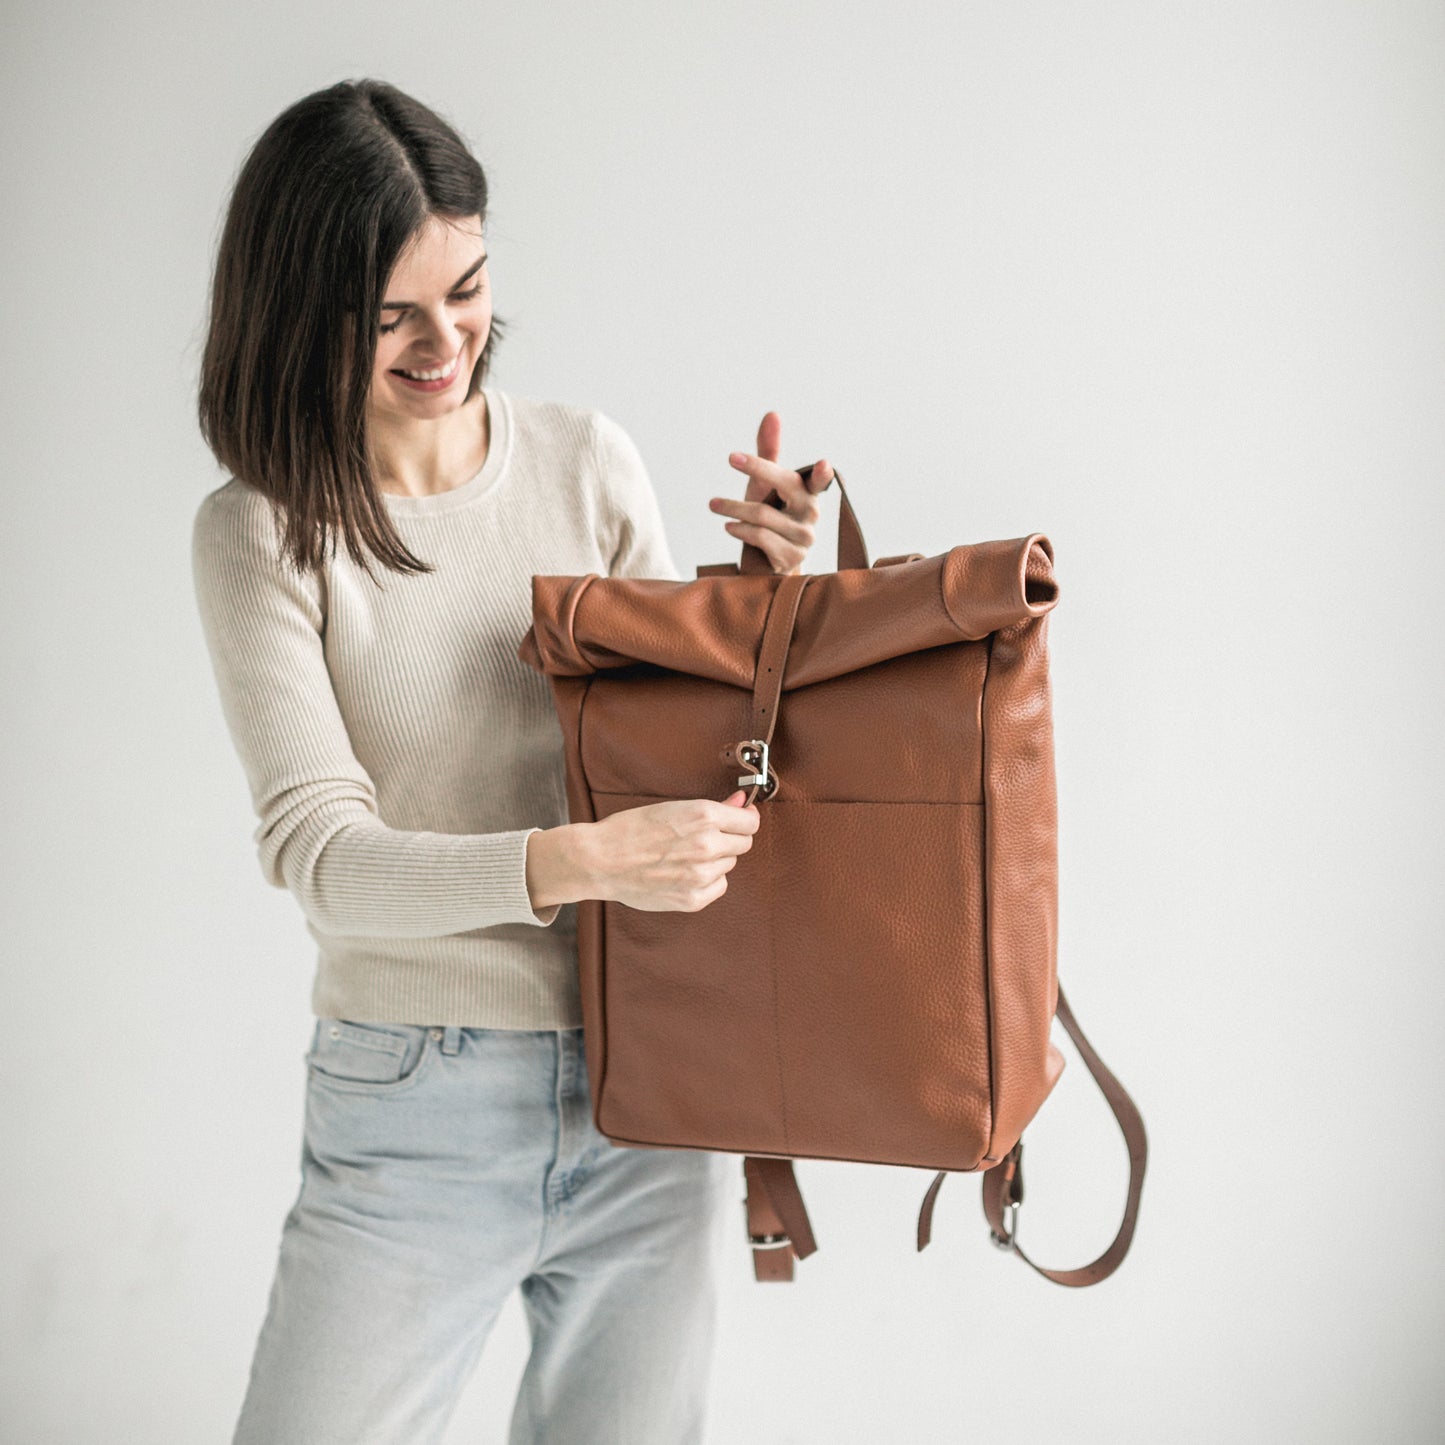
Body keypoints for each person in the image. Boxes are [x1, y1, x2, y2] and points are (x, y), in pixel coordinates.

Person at [190, 78, 834, 1445]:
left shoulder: (582, 460)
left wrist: (759, 591)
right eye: (393, 317)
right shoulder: (263, 533)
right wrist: (581, 863)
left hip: (644, 1081)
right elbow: (323, 859)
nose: (448, 342)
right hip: (416, 1102)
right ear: (304, 313)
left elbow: (682, 743)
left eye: (469, 291)